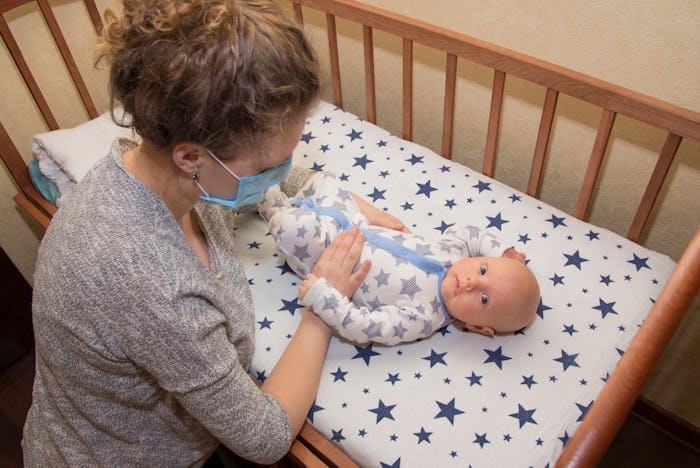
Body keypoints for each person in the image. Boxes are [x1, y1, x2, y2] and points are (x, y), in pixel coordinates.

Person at [22, 1, 402, 465]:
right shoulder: (147, 281)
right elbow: (265, 439)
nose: (278, 172)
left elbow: (257, 176)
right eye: (267, 166)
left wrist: (331, 193)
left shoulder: (160, 172)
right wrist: (325, 305)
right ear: (191, 157)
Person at [260, 171, 541, 346]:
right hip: (353, 222)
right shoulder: (455, 253)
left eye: (483, 299)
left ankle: (269, 202)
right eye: (483, 269)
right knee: (325, 180)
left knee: (292, 228)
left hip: (324, 253)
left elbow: (364, 327)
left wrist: (324, 295)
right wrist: (502, 251)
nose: (470, 283)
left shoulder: (423, 317)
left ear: (478, 327)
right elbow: (469, 234)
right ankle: (286, 194)